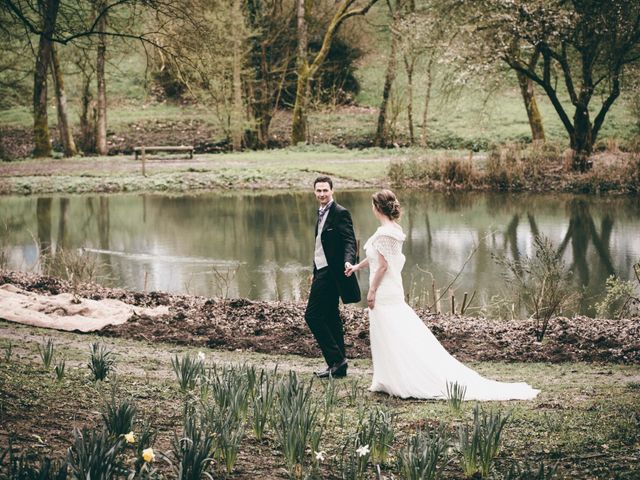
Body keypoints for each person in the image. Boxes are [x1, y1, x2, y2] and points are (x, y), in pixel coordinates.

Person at [345, 190, 539, 400]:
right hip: (391, 288)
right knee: (390, 330)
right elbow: (377, 258)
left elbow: (382, 266)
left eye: (372, 205)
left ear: (377, 207)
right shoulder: (393, 230)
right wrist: (356, 267)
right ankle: (387, 377)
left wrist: (372, 290)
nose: (371, 209)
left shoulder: (384, 234)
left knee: (390, 331)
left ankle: (400, 378)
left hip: (384, 289)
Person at [305, 176, 361, 379]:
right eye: (318, 191)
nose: (321, 194)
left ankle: (336, 360)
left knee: (311, 316)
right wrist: (315, 272)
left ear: (332, 191)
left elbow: (349, 241)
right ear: (314, 192)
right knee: (330, 316)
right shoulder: (319, 212)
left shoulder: (340, 212)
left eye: (325, 191)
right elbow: (320, 245)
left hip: (332, 273)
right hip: (321, 271)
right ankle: (340, 366)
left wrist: (348, 261)